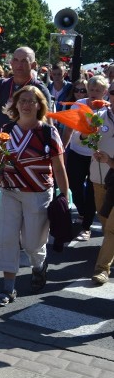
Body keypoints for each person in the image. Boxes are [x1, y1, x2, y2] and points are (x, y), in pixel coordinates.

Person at [0, 86, 69, 306]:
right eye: (22, 100)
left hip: (38, 194)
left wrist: (64, 196)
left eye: (30, 101)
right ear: (15, 104)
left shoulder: (48, 133)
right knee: (7, 239)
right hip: (10, 192)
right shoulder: (6, 129)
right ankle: (7, 289)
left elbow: (59, 168)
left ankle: (38, 264)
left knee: (33, 243)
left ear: (39, 105)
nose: (25, 105)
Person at [0, 47, 51, 248]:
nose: (19, 65)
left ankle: (9, 235)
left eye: (25, 61)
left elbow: (47, 123)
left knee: (16, 199)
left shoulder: (39, 89)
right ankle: (0, 229)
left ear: (34, 65)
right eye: (16, 60)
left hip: (24, 156)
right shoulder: (2, 85)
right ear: (10, 63)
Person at [62, 75, 110, 240]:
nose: (93, 93)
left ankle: (86, 226)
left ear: (104, 92)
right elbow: (68, 129)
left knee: (91, 191)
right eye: (91, 89)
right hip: (77, 151)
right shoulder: (79, 105)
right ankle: (82, 211)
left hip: (96, 157)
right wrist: (62, 148)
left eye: (98, 90)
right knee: (74, 185)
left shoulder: (108, 109)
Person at [89, 100, 114, 284]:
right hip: (105, 179)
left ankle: (102, 268)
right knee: (104, 219)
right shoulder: (98, 117)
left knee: (112, 229)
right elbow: (84, 140)